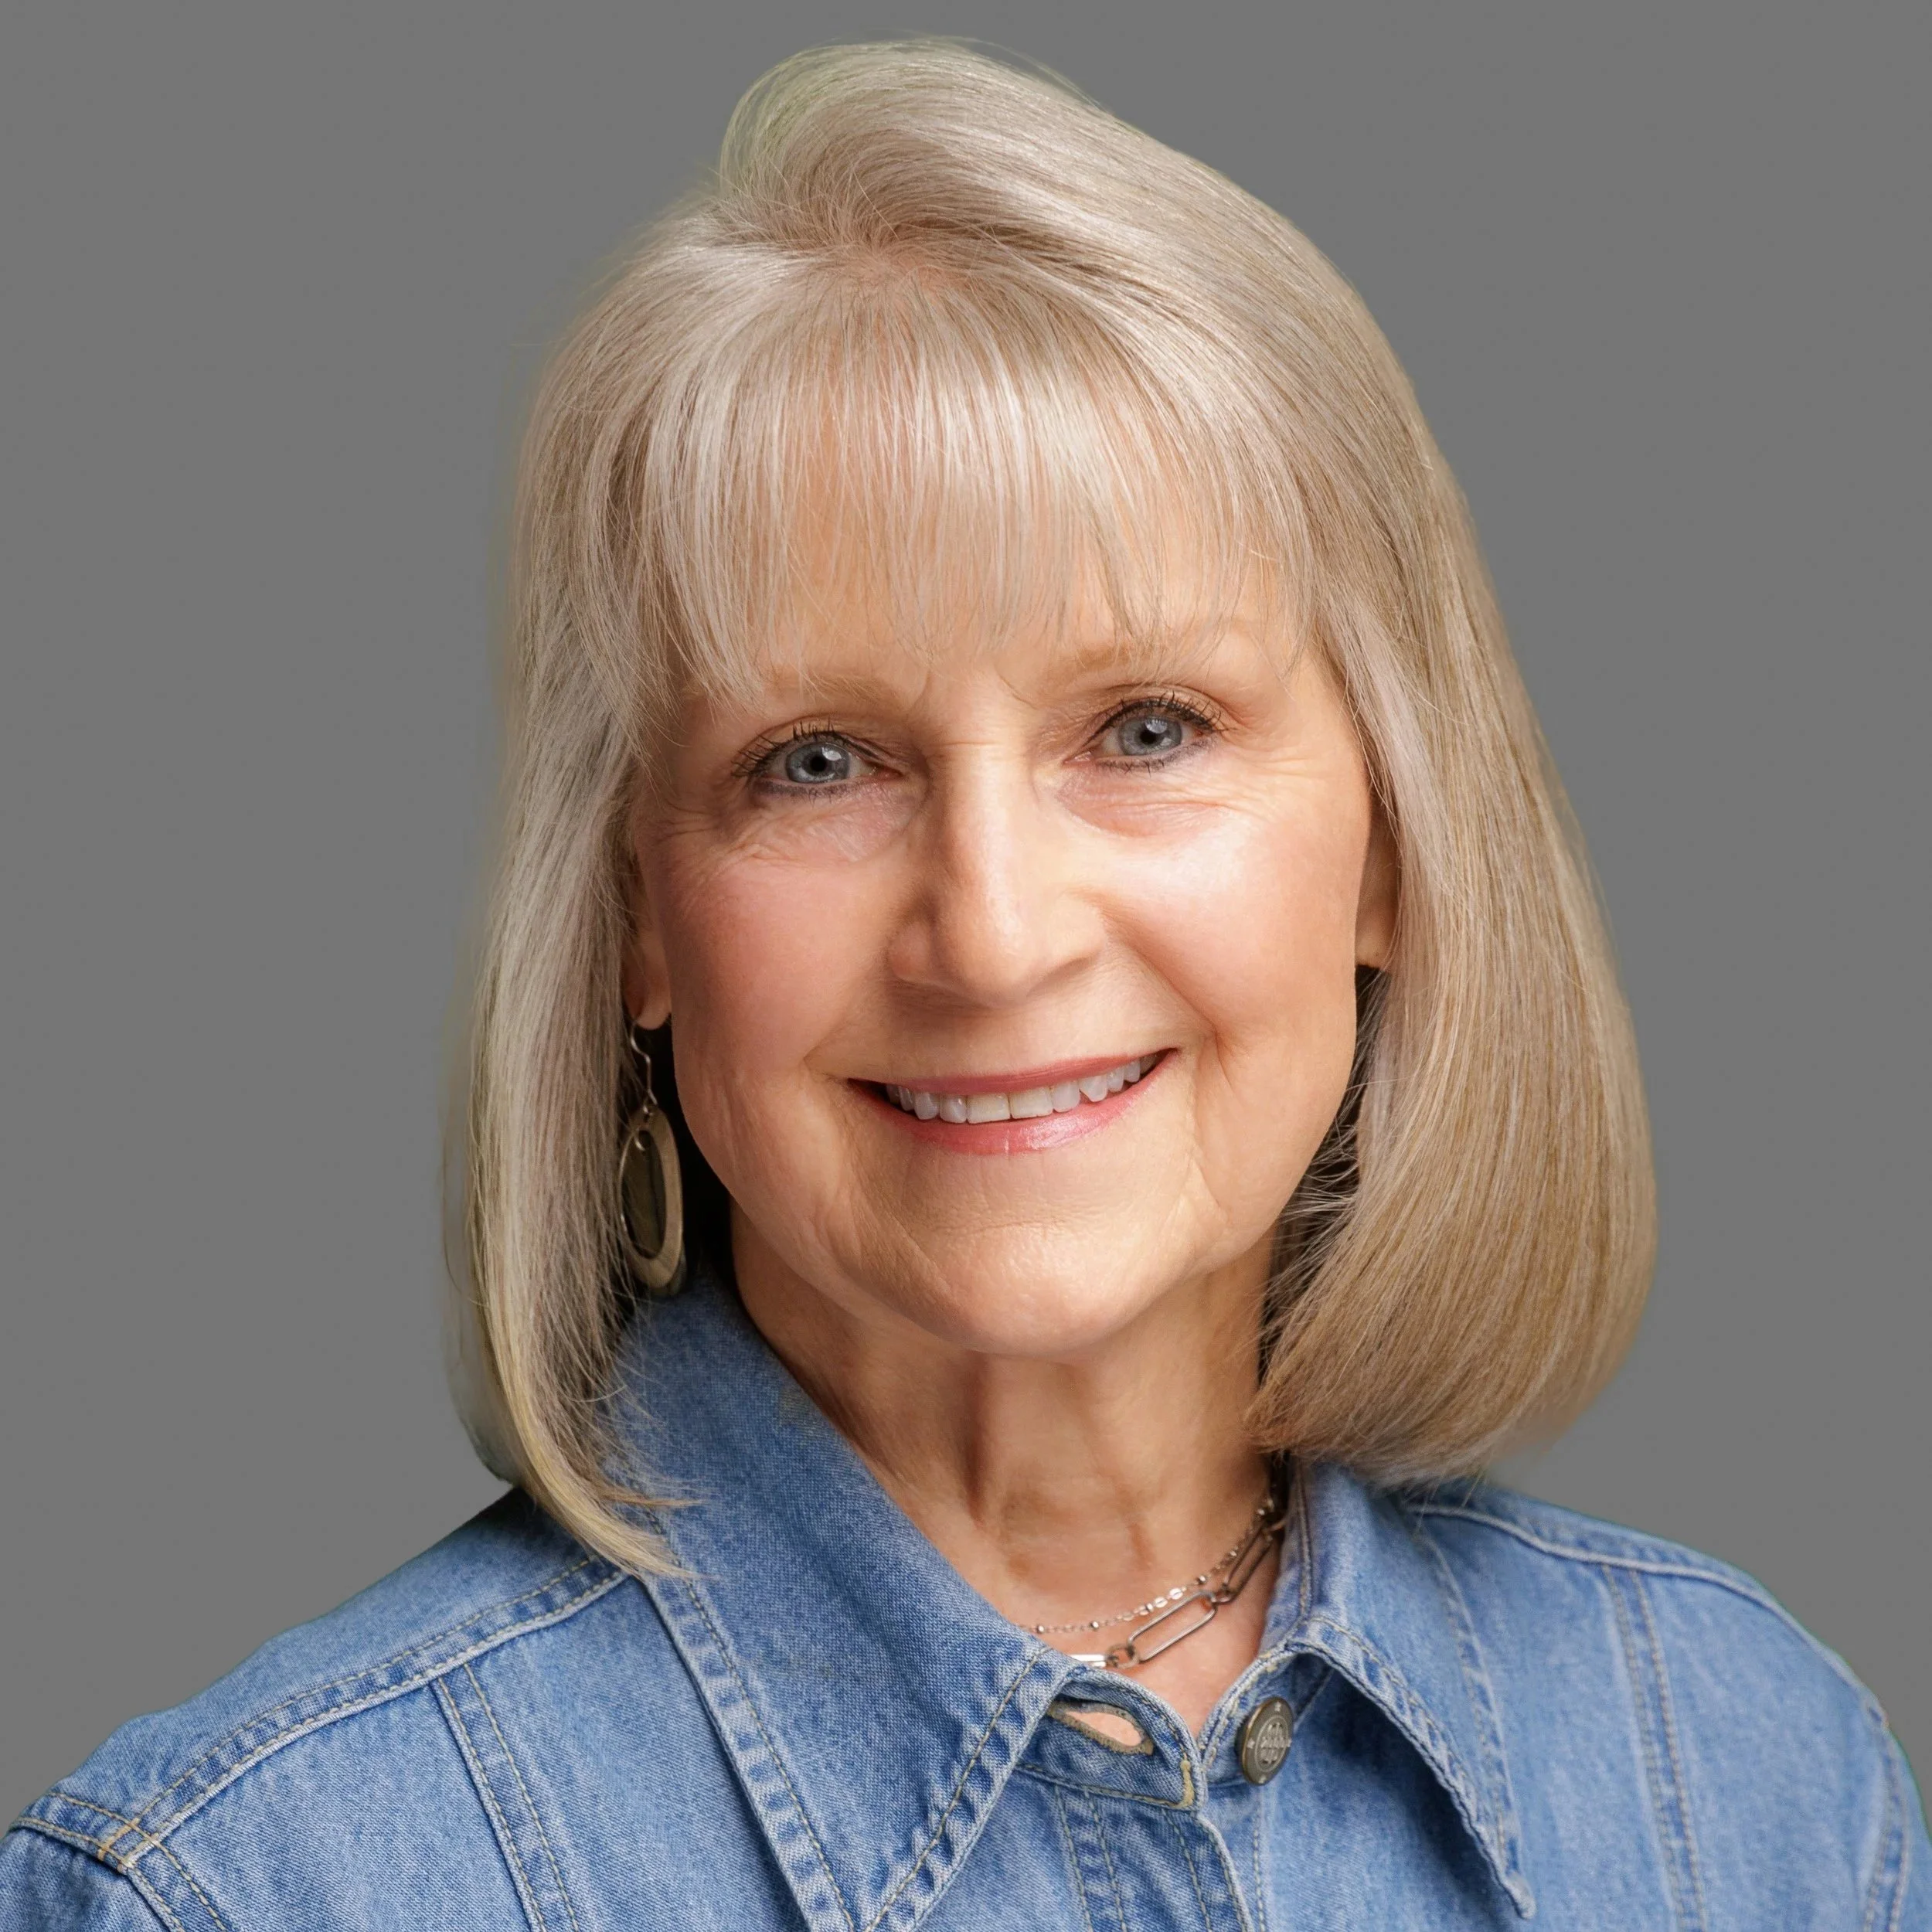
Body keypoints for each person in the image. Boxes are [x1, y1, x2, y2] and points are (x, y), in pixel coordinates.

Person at [3, 36, 1923, 1930]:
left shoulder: (1750, 1786)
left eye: (1146, 726)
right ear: (637, 925)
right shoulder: (251, 1890)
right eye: (819, 759)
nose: (992, 932)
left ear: (1396, 846)